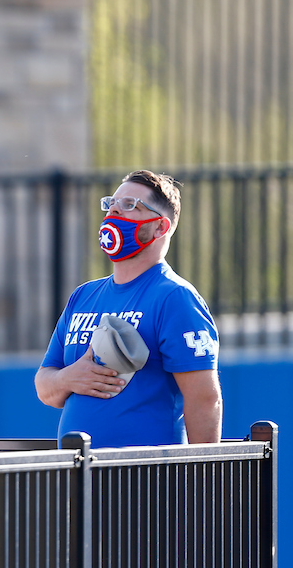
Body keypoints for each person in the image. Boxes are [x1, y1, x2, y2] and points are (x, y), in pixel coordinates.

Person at [35, 170, 222, 447]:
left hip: (145, 481)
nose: (113, 211)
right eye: (111, 203)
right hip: (77, 477)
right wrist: (68, 378)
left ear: (161, 227)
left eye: (129, 205)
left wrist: (203, 480)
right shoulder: (83, 296)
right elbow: (45, 385)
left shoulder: (175, 297)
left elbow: (204, 400)